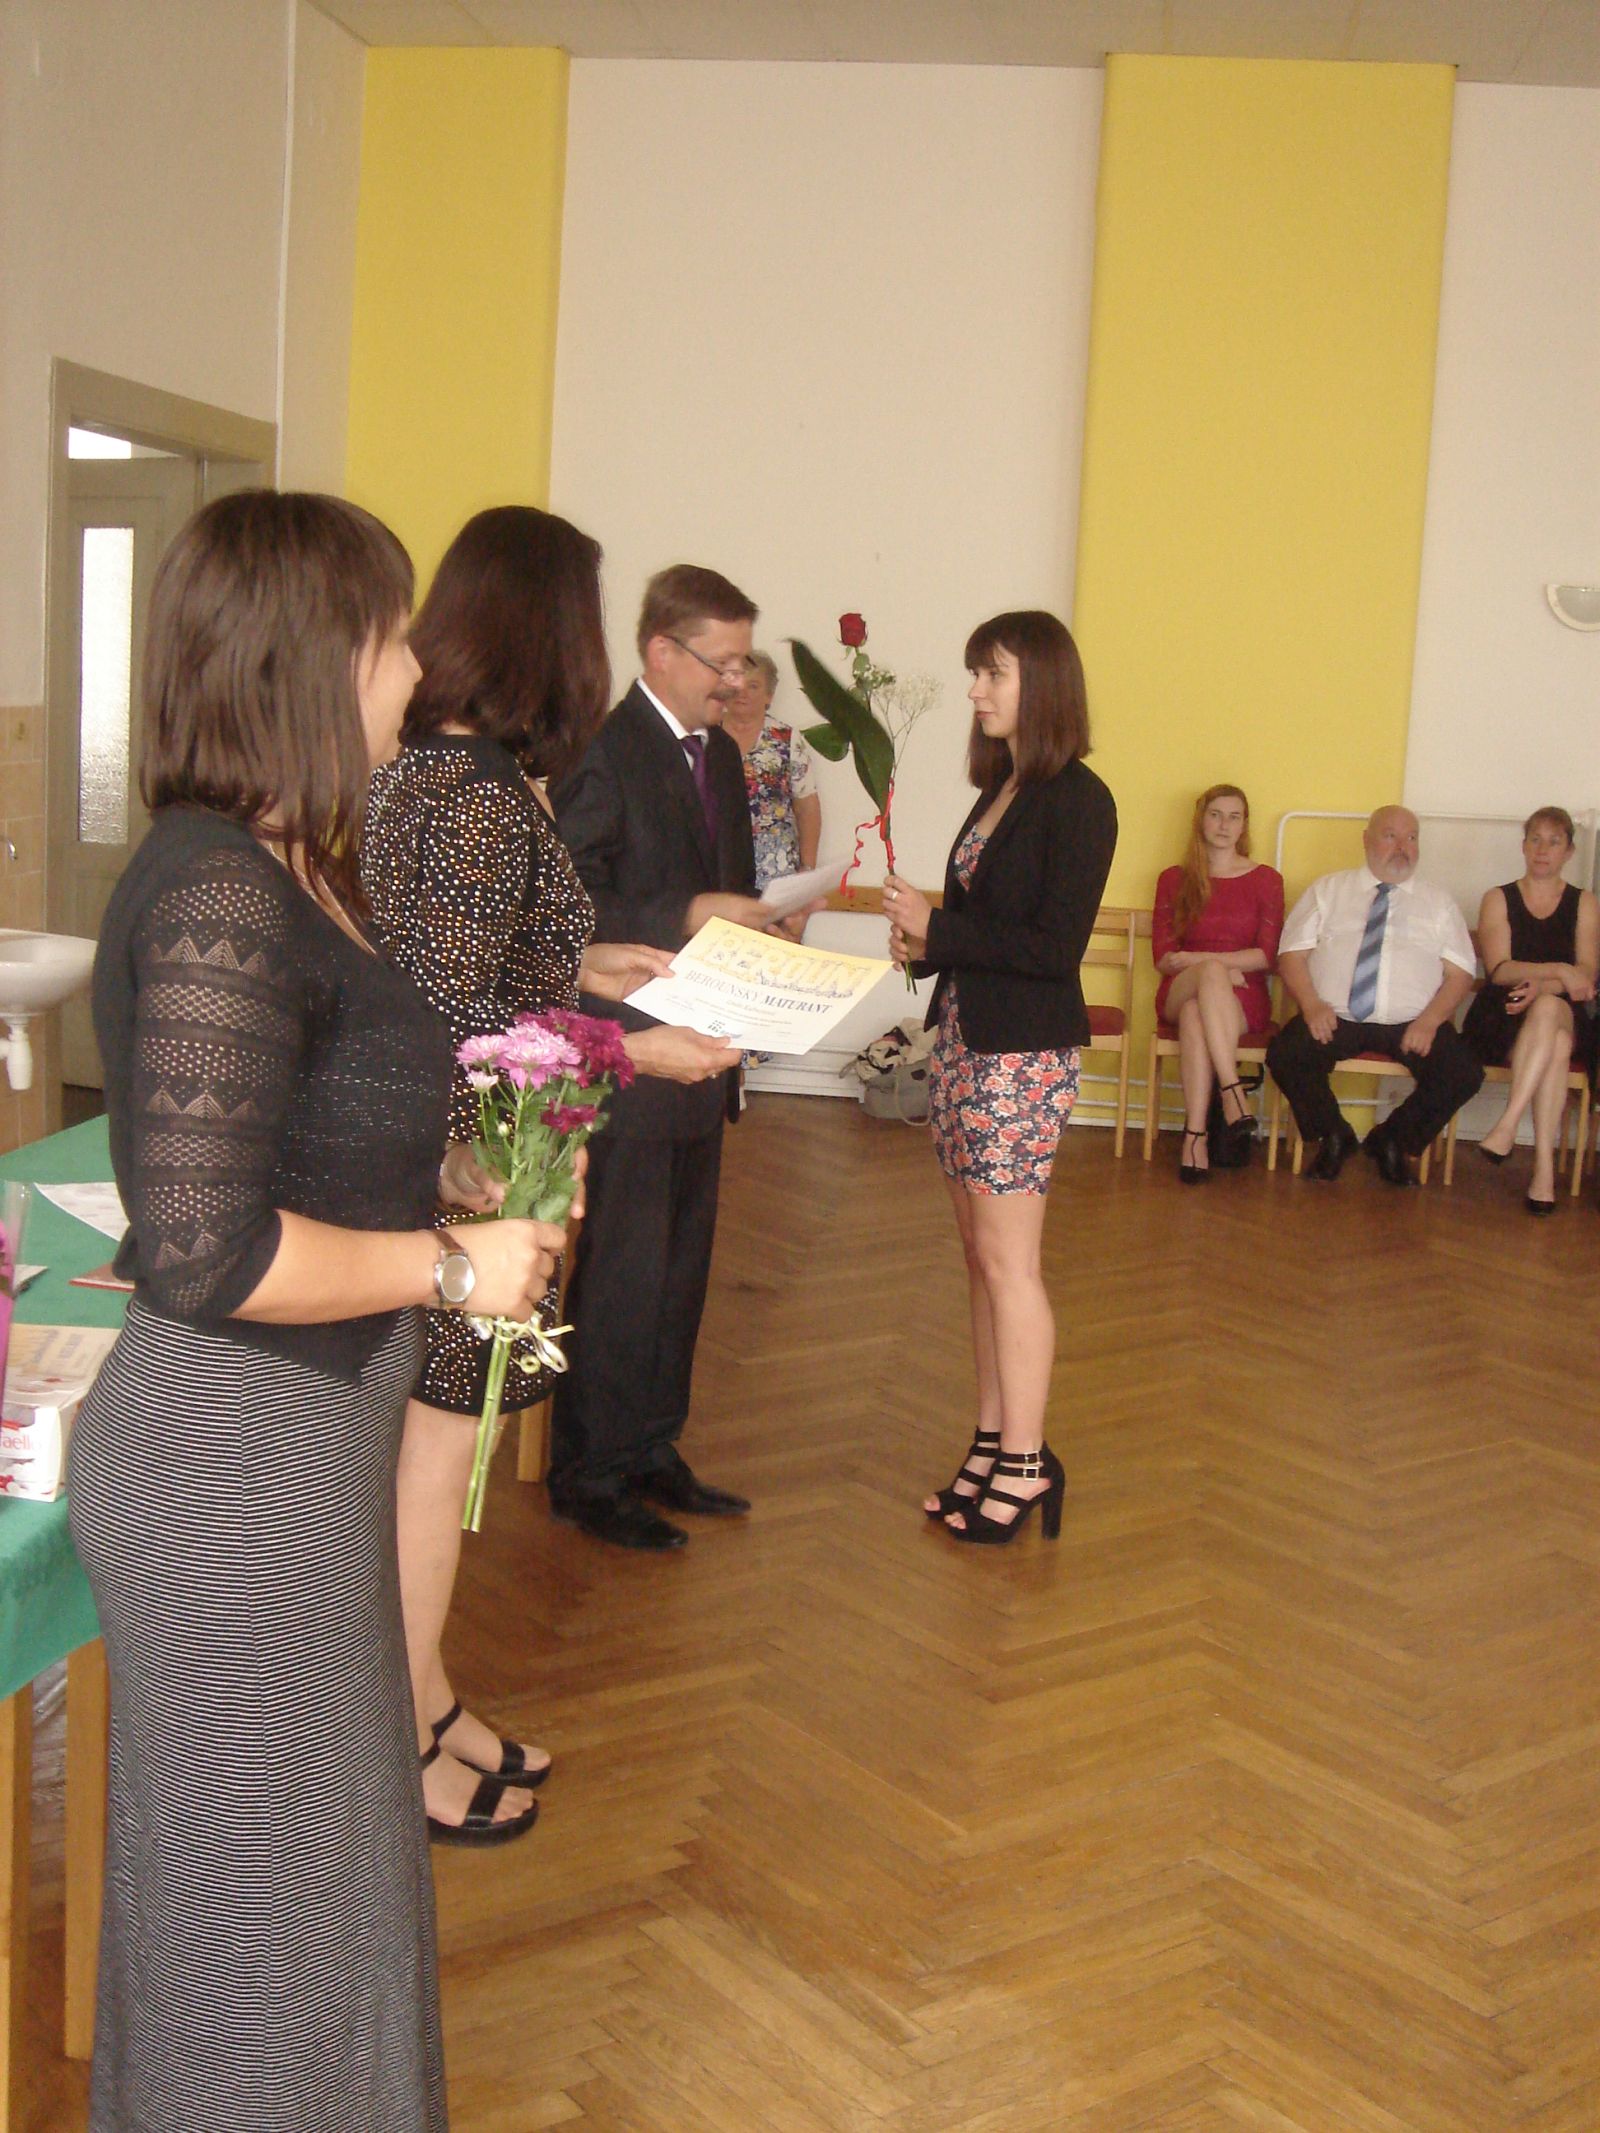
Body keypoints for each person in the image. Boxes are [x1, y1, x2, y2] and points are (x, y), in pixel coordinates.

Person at [67, 491, 567, 2133]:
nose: (413, 665)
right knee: (257, 1935)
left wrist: (444, 1176)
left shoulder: (292, 866)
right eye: (388, 633)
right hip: (230, 1464)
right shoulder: (215, 889)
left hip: (298, 1448)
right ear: (308, 656)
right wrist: (447, 1269)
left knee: (323, 1894)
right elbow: (204, 1246)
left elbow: (297, 1128)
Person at [362, 508, 741, 1834]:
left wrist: (592, 964)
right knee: (431, 1462)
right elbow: (455, 1024)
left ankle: (429, 1696)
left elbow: (477, 967)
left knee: (441, 1457)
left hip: (471, 1166)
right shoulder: (468, 794)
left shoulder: (443, 774)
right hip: (464, 1178)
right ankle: (399, 1741)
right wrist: (636, 1052)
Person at [550, 565, 771, 1549]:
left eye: (742, 662)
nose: (736, 681)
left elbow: (730, 885)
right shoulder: (604, 754)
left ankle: (652, 1447)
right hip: (631, 1055)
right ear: (661, 652)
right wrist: (683, 912)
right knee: (623, 1276)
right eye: (723, 662)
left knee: (681, 1273)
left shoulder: (716, 756)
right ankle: (590, 1474)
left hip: (702, 1051)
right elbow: (566, 912)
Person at [885, 611, 1117, 1545]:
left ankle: (1025, 1461)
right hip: (964, 1040)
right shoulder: (1002, 787)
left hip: (1021, 1057)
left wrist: (939, 928)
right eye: (976, 673)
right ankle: (991, 1441)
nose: (976, 690)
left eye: (994, 673)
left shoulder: (1080, 800)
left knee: (1011, 1265)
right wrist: (926, 943)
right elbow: (986, 927)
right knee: (980, 1261)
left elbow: (1054, 949)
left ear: (1043, 684)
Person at [1267, 806, 1483, 1184]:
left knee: (1462, 1072)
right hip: (1335, 1017)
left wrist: (1430, 1021)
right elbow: (1292, 955)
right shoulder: (1328, 891)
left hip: (1412, 1022)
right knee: (1287, 1053)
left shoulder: (1438, 903)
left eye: (1411, 838)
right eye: (1390, 836)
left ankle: (1393, 1140)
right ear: (1366, 840)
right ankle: (1335, 1135)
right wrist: (1311, 1004)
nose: (1402, 847)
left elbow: (1461, 973)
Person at [1463, 806, 1599, 1213]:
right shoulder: (1498, 898)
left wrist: (1545, 985)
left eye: (1554, 842)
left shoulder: (1585, 902)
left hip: (1566, 1006)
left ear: (1568, 852)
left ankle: (1507, 1125)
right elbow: (1500, 970)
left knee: (1550, 1009)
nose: (1543, 849)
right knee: (1555, 1042)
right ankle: (1543, 1173)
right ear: (1523, 846)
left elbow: (1587, 976)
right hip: (1504, 1011)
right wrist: (1559, 971)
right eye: (1535, 839)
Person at [1152, 784, 1284, 1181]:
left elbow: (1266, 956)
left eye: (1234, 816)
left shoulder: (1266, 880)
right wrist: (1217, 968)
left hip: (1243, 998)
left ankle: (1195, 1137)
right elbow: (1164, 958)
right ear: (1200, 820)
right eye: (1215, 815)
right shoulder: (1173, 879)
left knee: (1197, 1013)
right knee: (1208, 976)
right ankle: (1232, 1089)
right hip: (1180, 988)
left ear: (1244, 825)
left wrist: (1202, 962)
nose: (1224, 825)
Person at [717, 649, 822, 891]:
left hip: (775, 878)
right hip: (714, 877)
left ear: (769, 696)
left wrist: (807, 871)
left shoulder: (786, 739)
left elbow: (807, 808)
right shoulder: (702, 736)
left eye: (753, 686)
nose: (742, 692)